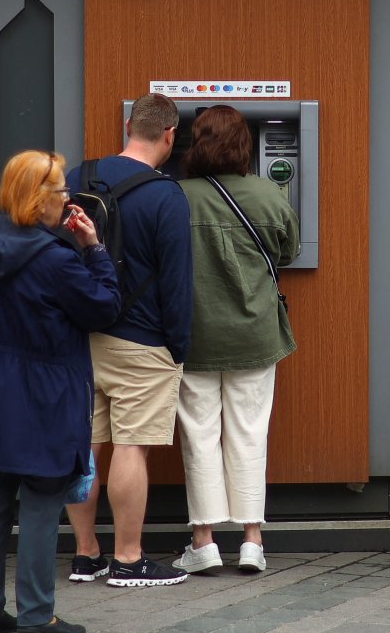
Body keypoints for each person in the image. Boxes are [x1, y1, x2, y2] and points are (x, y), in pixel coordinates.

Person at [0, 151, 120, 633]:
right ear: (38, 199)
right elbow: (104, 308)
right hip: (45, 392)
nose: (67, 198)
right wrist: (94, 249)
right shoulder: (56, 258)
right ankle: (36, 615)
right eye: (60, 190)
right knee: (43, 500)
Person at [64, 93, 193, 589]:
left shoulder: (80, 177)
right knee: (131, 449)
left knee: (87, 447)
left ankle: (85, 555)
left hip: (81, 336)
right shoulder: (167, 196)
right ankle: (129, 558)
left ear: (126, 125)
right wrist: (177, 344)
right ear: (169, 135)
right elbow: (178, 281)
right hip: (142, 341)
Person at [170, 105, 300, 576]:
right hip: (255, 333)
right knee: (249, 431)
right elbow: (290, 250)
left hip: (195, 334)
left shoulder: (175, 197)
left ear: (194, 143)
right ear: (245, 146)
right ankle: (251, 541)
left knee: (199, 433)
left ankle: (203, 542)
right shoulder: (268, 194)